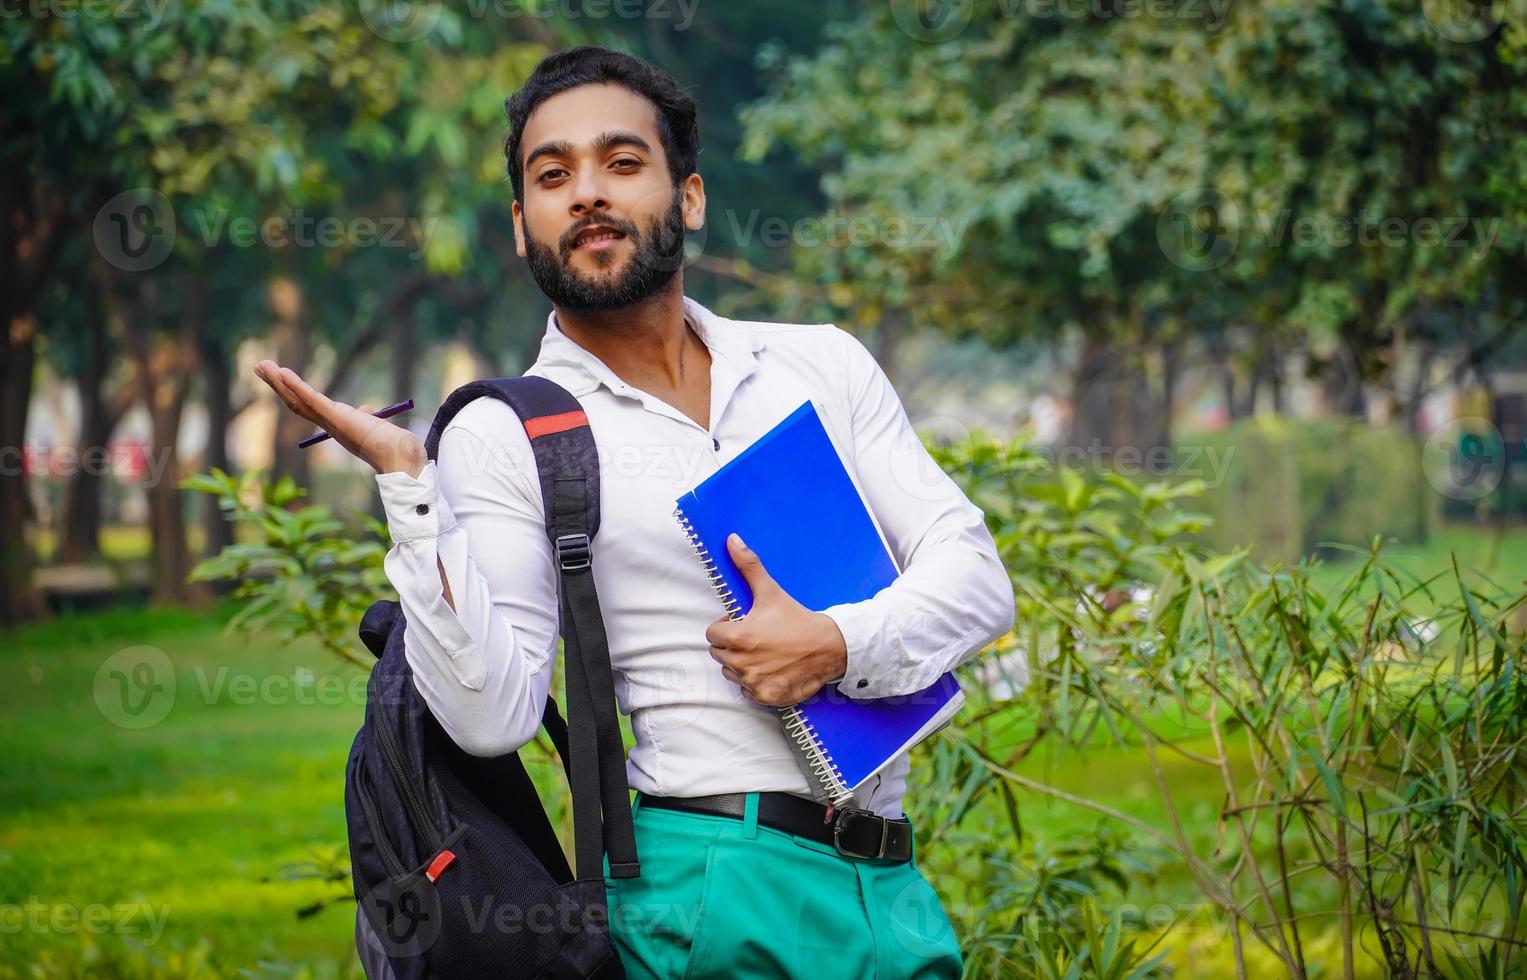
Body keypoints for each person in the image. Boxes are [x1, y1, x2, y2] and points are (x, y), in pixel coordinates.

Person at [255, 44, 1014, 980]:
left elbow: (975, 578)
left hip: (890, 883)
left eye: (621, 163)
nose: (586, 194)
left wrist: (835, 643)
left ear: (687, 197)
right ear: (523, 226)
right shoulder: (508, 432)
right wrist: (413, 488)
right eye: (552, 175)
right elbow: (492, 717)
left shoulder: (817, 365)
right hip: (704, 889)